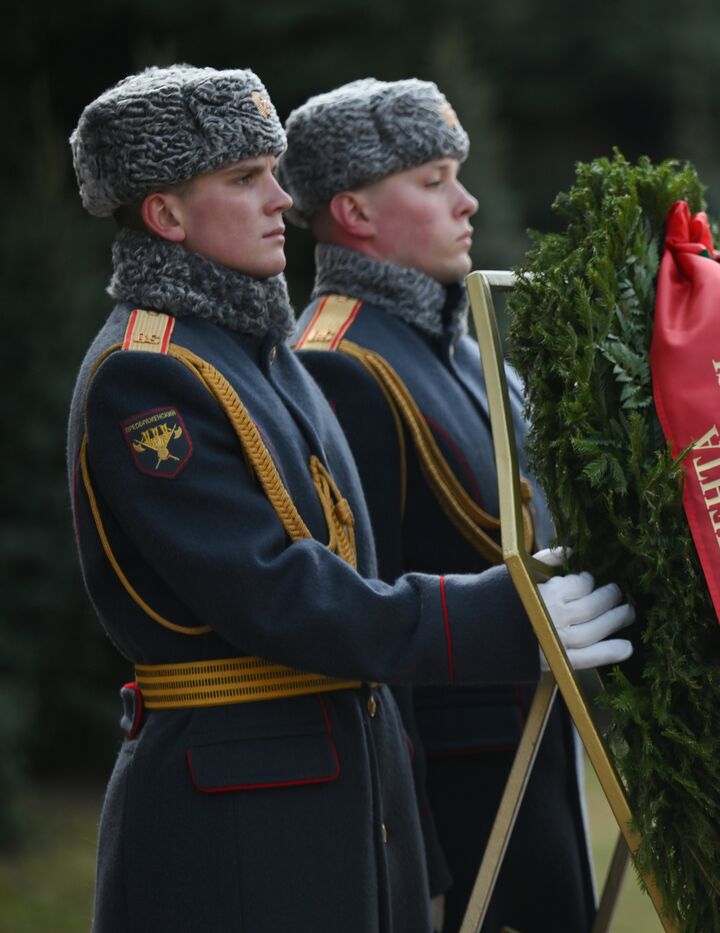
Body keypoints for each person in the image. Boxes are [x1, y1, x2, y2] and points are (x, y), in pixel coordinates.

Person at [66, 65, 632, 931]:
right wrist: (500, 615)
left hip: (332, 784)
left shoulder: (253, 352)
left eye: (274, 172)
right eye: (244, 178)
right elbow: (275, 592)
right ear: (166, 216)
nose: (281, 200)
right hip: (236, 812)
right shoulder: (147, 373)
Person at [276, 78, 597, 933]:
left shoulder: (462, 347)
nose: (467, 201)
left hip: (530, 756)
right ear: (354, 212)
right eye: (433, 180)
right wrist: (413, 852)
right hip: (456, 794)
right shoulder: (337, 363)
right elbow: (366, 623)